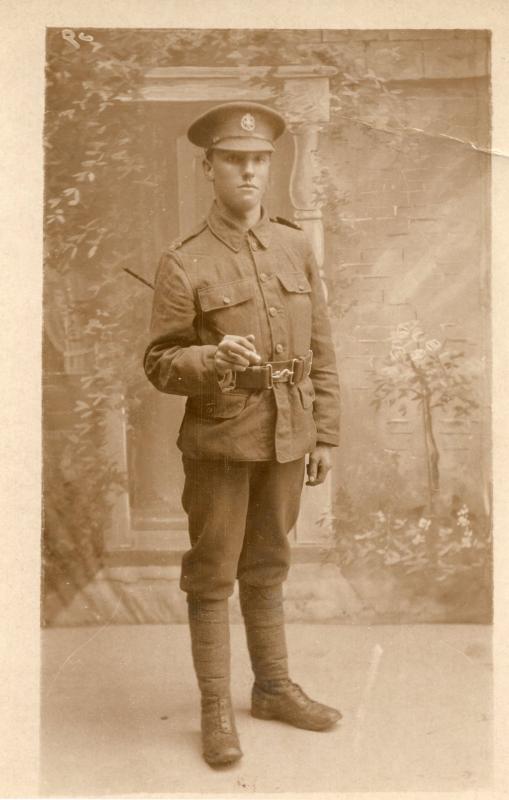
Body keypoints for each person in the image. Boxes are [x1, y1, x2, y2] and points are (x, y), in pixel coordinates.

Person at [143, 101, 341, 767]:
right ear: (208, 168)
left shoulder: (293, 245)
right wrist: (209, 360)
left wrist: (324, 435)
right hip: (221, 441)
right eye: (234, 160)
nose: (249, 171)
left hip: (287, 436)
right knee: (210, 576)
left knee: (269, 566)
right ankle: (213, 712)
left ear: (269, 165)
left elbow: (321, 349)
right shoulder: (182, 261)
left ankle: (275, 689)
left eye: (258, 160)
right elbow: (160, 363)